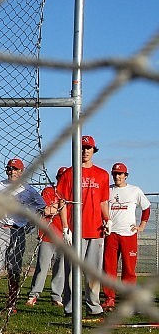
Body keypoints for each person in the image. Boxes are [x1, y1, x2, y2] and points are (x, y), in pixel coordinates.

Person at [0, 158, 46, 315]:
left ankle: (11, 303)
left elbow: (41, 206)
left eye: (16, 169)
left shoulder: (28, 190)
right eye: (10, 169)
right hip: (0, 228)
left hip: (18, 230)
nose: (12, 172)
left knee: (14, 268)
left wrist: (31, 222)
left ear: (22, 172)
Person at [57, 135, 111, 317]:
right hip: (75, 230)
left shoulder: (102, 174)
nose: (85, 151)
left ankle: (93, 307)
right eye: (82, 148)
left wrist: (108, 219)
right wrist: (65, 227)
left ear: (93, 150)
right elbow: (62, 202)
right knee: (73, 271)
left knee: (93, 271)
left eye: (88, 148)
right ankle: (71, 308)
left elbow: (104, 201)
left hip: (95, 230)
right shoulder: (69, 174)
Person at [102, 162, 151, 312]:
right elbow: (101, 206)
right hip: (111, 234)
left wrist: (141, 226)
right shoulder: (108, 190)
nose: (118, 176)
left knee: (129, 270)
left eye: (120, 174)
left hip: (129, 234)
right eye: (115, 173)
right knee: (109, 268)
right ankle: (109, 299)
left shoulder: (134, 190)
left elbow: (146, 208)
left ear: (126, 175)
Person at [26, 166, 68, 307]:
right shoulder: (49, 191)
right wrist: (58, 208)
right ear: (57, 178)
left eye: (65, 177)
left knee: (60, 269)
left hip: (64, 237)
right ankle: (34, 295)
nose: (63, 179)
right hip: (47, 234)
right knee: (42, 268)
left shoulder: (72, 193)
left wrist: (57, 208)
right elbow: (46, 210)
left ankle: (56, 296)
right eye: (60, 177)